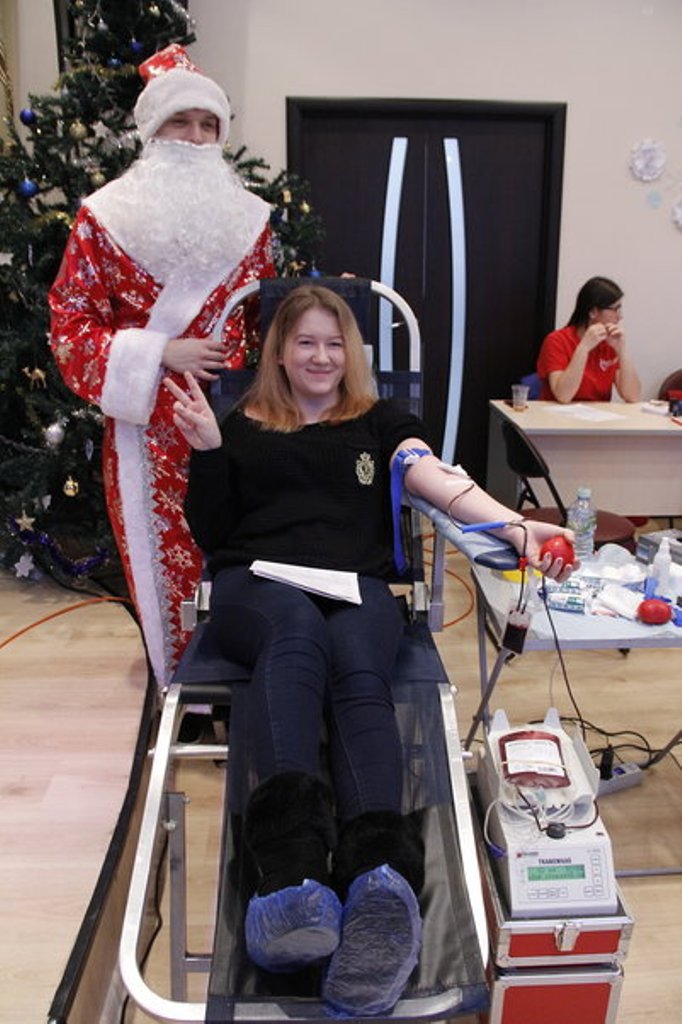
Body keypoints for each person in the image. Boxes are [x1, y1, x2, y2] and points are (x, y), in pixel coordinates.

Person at [165, 283, 576, 1016]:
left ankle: (380, 889)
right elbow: (213, 530)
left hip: (357, 587)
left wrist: (513, 526)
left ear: (351, 353)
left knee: (359, 664)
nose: (321, 357)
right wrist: (207, 452)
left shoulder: (380, 421)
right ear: (280, 352)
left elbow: (435, 479)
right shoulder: (240, 423)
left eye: (335, 343)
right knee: (294, 636)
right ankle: (291, 877)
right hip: (256, 585)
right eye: (305, 342)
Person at [48, 44, 275, 687]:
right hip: (147, 431)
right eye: (181, 122)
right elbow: (70, 327)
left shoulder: (251, 221)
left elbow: (267, 321)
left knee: (240, 552)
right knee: (163, 563)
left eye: (208, 125)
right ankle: (182, 688)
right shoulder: (103, 218)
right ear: (152, 129)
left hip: (237, 423)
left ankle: (248, 679)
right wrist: (160, 352)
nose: (196, 139)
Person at [536, 276, 641, 403]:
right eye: (615, 309)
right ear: (593, 312)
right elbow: (563, 396)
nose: (620, 316)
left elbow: (632, 396)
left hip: (596, 414)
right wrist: (584, 347)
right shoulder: (556, 340)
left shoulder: (610, 343)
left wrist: (622, 351)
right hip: (557, 413)